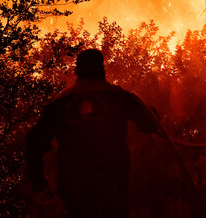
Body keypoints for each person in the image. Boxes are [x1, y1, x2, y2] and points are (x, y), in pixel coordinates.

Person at [26, 49, 157, 218]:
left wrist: (39, 181)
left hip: (73, 186)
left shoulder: (61, 103)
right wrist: (149, 111)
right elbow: (150, 124)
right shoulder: (119, 97)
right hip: (113, 183)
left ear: (77, 72)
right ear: (102, 70)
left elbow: (34, 142)